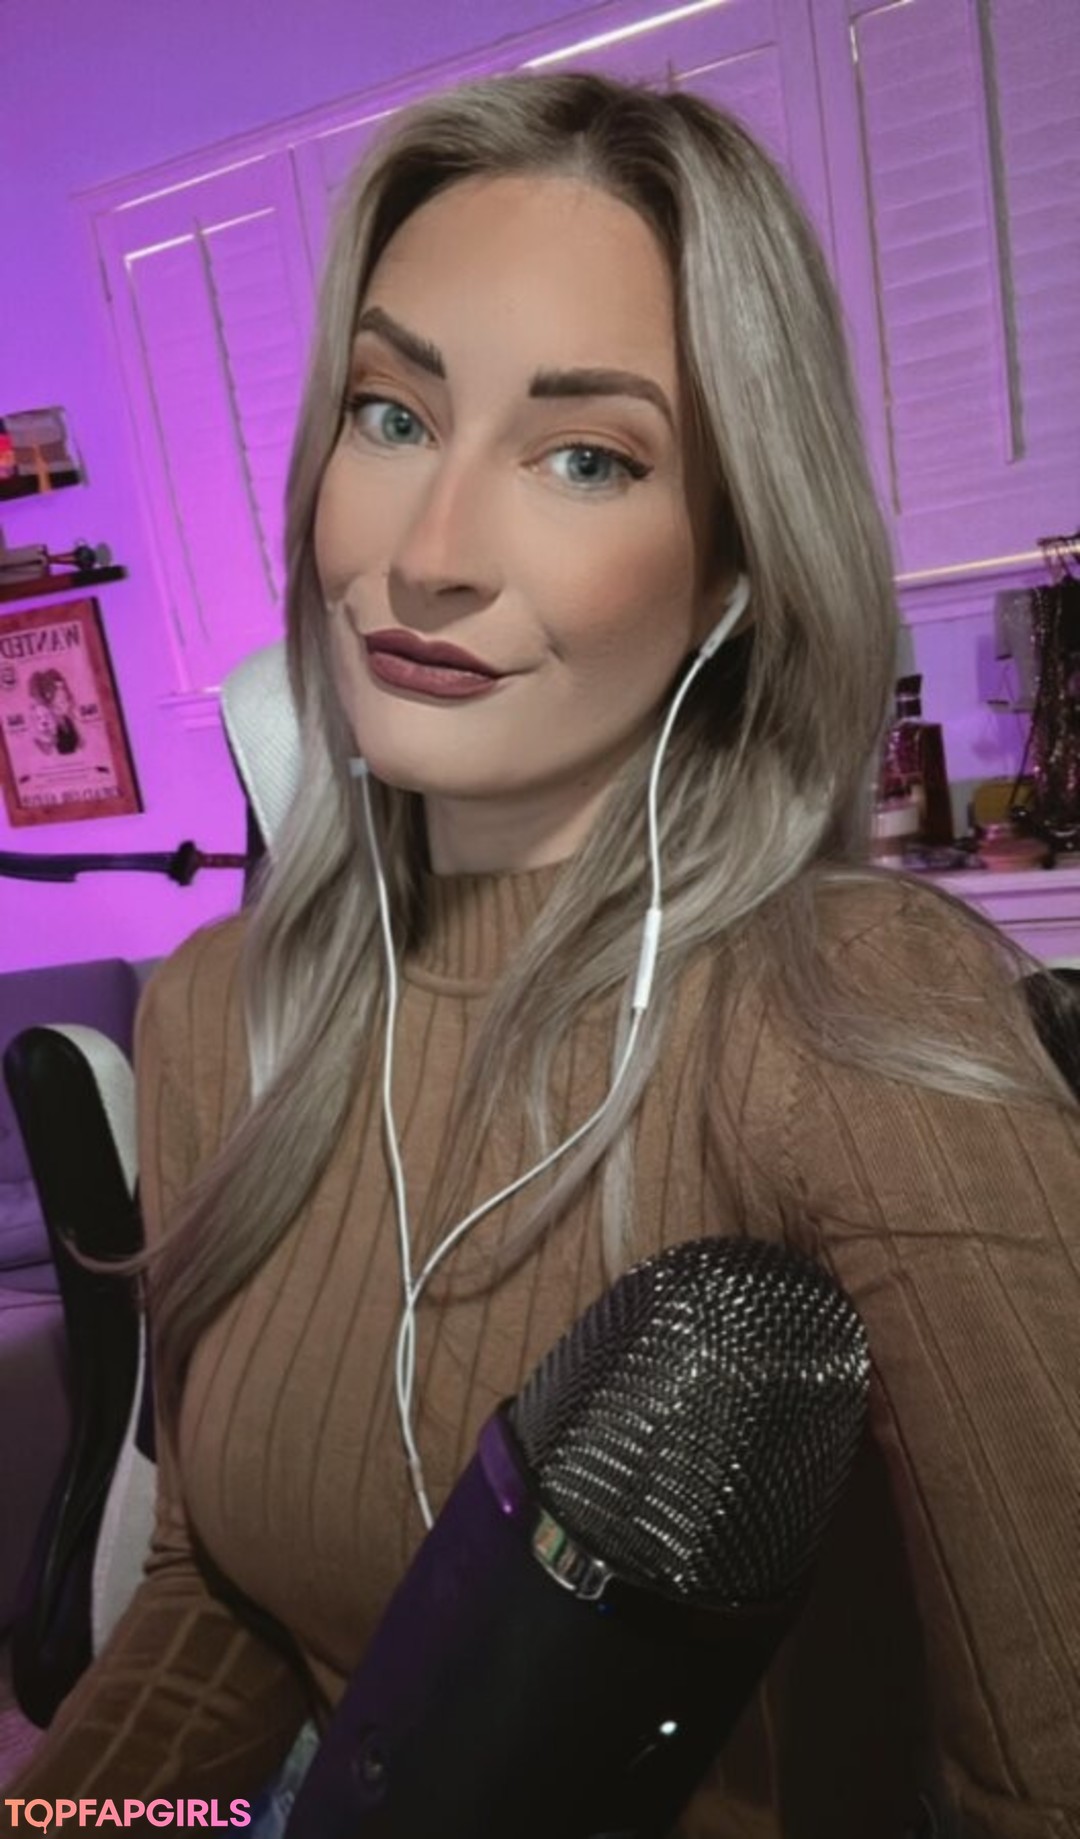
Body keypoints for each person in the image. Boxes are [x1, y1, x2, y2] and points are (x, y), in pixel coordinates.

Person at [4, 71, 1078, 1839]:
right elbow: (218, 1591)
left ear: (732, 572)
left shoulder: (855, 1017)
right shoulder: (217, 1009)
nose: (428, 557)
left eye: (587, 457)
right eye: (392, 415)